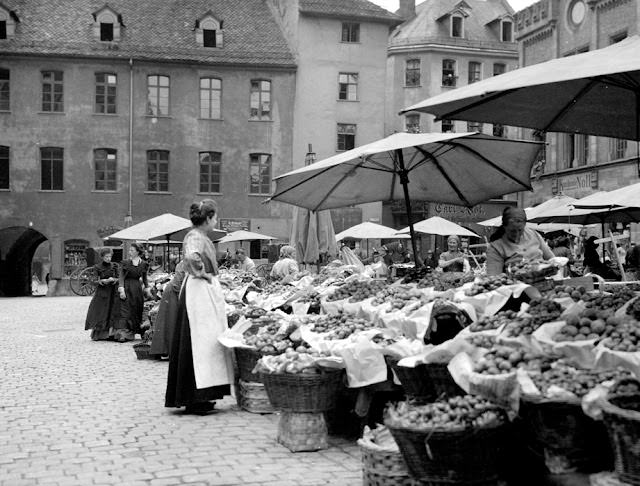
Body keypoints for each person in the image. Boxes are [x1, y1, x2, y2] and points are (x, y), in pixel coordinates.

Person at [165, 200, 233, 414]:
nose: (215, 221)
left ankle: (205, 394)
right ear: (208, 218)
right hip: (198, 293)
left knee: (206, 341)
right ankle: (195, 396)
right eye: (214, 217)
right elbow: (192, 256)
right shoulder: (195, 236)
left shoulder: (200, 236)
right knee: (199, 342)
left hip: (203, 291)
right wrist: (202, 272)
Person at [486, 207, 554, 275]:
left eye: (520, 230)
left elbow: (552, 259)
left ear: (524, 225)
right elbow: (494, 277)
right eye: (512, 231)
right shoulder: (496, 248)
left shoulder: (533, 234)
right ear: (504, 227)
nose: (517, 234)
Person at [150, 261, 186, 359]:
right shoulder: (184, 264)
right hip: (173, 294)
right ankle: (166, 350)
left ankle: (167, 350)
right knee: (170, 321)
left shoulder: (187, 263)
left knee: (169, 321)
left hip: (175, 292)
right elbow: (177, 283)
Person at [115, 242, 150, 342]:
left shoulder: (143, 264)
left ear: (138, 252)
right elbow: (121, 277)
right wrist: (121, 289)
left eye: (132, 250)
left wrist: (147, 288)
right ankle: (123, 334)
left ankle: (134, 331)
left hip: (137, 289)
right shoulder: (125, 263)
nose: (130, 252)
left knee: (136, 310)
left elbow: (145, 278)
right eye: (129, 250)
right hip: (126, 288)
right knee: (125, 311)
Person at [84, 248, 120, 341]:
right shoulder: (97, 267)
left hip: (112, 292)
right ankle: (100, 334)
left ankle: (111, 334)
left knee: (111, 312)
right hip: (102, 293)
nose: (109, 258)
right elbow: (94, 280)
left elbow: (119, 278)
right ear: (102, 257)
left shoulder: (115, 266)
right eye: (106, 257)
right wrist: (103, 281)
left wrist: (114, 280)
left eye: (110, 256)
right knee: (101, 312)